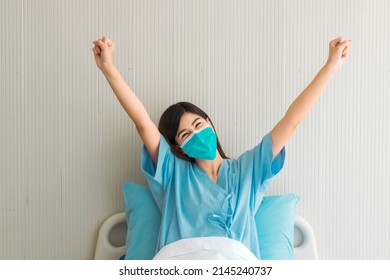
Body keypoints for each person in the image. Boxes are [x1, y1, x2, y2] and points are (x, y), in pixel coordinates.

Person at [92, 36, 351, 259]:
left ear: (210, 124)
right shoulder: (172, 174)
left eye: (198, 124)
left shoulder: (248, 171)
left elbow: (291, 122)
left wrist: (331, 65)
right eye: (185, 134)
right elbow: (142, 124)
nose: (196, 134)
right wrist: (109, 69)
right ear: (179, 148)